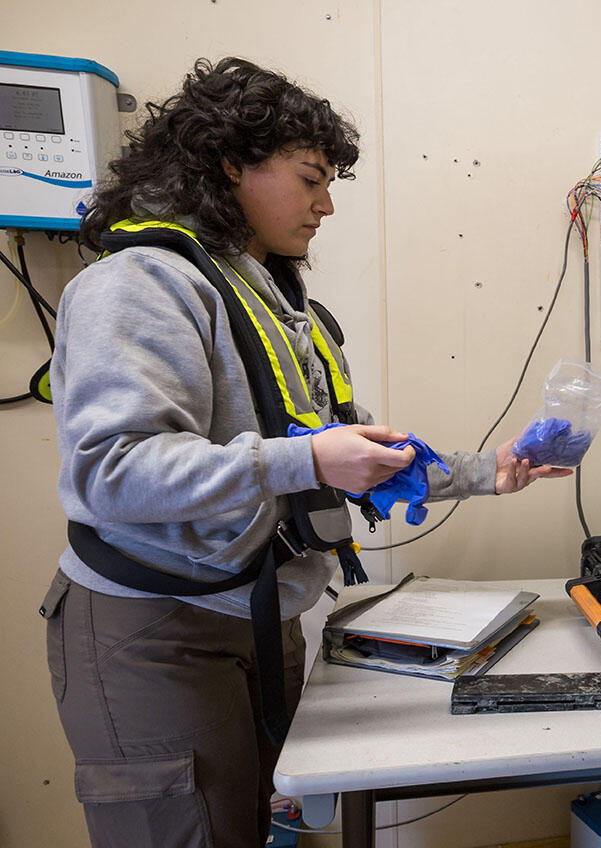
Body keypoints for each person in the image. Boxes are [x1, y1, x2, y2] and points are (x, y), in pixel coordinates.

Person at [40, 57, 568, 846]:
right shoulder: (139, 284)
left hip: (259, 609)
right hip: (158, 627)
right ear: (230, 164)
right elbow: (109, 473)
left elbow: (335, 449)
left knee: (249, 826)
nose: (325, 206)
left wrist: (482, 473)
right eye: (311, 178)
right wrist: (311, 462)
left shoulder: (270, 296)